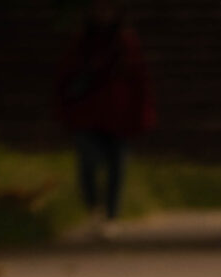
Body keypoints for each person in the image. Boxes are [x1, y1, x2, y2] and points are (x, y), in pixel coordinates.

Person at [56, 1, 155, 232]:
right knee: (89, 162)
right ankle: (94, 208)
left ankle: (111, 216)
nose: (104, 14)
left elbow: (139, 80)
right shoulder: (82, 42)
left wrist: (143, 113)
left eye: (108, 9)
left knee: (117, 168)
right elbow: (64, 78)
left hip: (118, 115)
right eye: (99, 9)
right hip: (86, 114)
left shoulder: (125, 43)